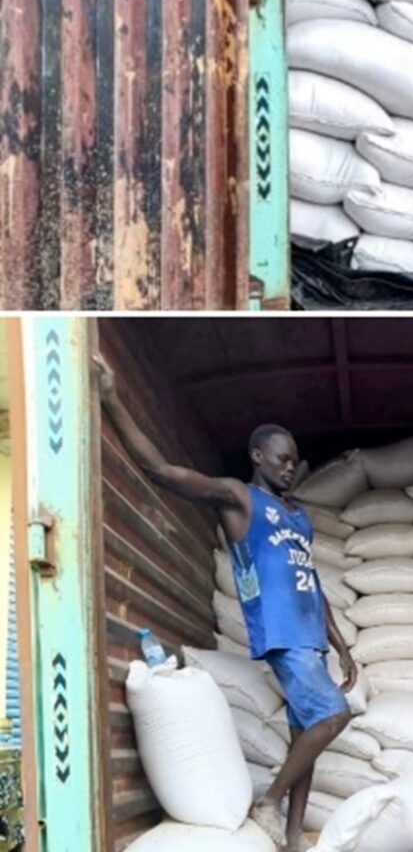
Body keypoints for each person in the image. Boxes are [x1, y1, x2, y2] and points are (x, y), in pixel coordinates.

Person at [94, 353, 358, 852]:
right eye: (281, 457)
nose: (289, 467)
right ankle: (270, 800)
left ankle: (294, 836)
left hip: (310, 638)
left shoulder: (298, 516)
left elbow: (312, 582)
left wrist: (341, 645)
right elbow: (162, 470)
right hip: (281, 635)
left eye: (293, 459)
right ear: (257, 456)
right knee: (333, 716)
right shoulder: (239, 498)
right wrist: (112, 396)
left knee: (309, 732)